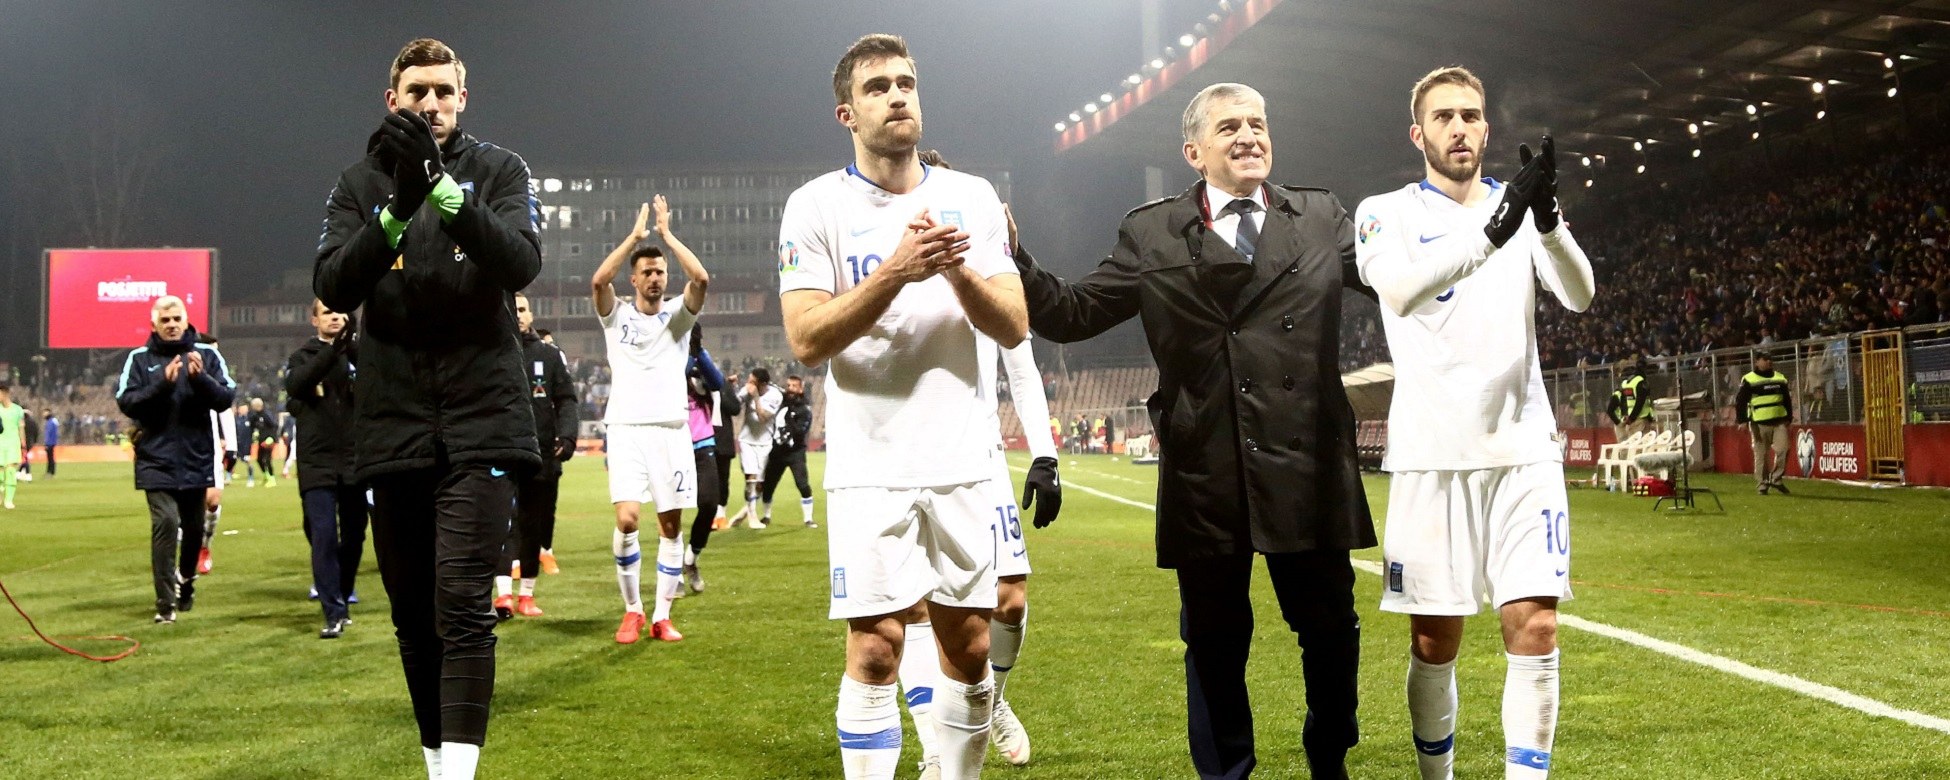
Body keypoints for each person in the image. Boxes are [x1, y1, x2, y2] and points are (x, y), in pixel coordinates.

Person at [1009, 81, 1377, 779]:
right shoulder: (1152, 232)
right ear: (1194, 151)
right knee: (1213, 643)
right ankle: (1226, 774)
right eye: (1230, 126)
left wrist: (1476, 231)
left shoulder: (1321, 216)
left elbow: (1402, 283)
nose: (1249, 136)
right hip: (1207, 465)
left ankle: (1329, 759)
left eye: (1258, 123)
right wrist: (1015, 259)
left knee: (1331, 631)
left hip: (1307, 462)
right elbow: (1073, 313)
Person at [779, 33, 1028, 780]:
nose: (897, 96)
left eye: (906, 83)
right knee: (875, 647)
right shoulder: (814, 206)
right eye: (878, 87)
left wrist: (955, 272)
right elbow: (806, 338)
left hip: (961, 458)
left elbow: (1015, 323)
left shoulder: (971, 197)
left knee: (970, 646)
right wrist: (895, 271)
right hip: (869, 463)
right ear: (846, 113)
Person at [1352, 66, 1593, 780]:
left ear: (1486, 129)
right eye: (1443, 116)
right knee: (1435, 643)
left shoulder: (1519, 210)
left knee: (1537, 626)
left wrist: (1546, 223)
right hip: (1431, 456)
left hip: (1523, 450)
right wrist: (1495, 230)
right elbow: (1399, 290)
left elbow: (1579, 294)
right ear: (1417, 133)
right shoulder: (1383, 212)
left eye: (1470, 115)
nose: (1459, 127)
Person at [314, 37, 543, 780]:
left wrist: (440, 191)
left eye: (444, 91)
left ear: (463, 100)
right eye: (418, 92)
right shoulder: (357, 184)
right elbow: (333, 284)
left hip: (482, 418)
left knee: (462, 602)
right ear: (394, 102)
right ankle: (437, 766)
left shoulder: (501, 170)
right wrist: (395, 212)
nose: (432, 103)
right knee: (412, 614)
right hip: (393, 422)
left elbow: (521, 260)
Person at [590, 195, 710, 644]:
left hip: (670, 431)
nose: (656, 277)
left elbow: (701, 278)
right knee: (626, 521)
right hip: (625, 430)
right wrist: (635, 238)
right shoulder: (615, 317)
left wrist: (668, 236)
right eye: (647, 272)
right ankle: (632, 611)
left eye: (660, 272)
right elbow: (598, 280)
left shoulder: (678, 319)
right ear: (635, 279)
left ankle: (662, 615)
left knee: (670, 527)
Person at [114, 296, 236, 622]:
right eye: (165, 320)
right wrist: (162, 384)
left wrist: (201, 379)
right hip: (155, 459)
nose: (171, 325)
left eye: (176, 319)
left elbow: (226, 398)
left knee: (194, 530)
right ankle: (165, 604)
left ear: (186, 320)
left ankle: (187, 580)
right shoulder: (139, 359)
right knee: (166, 523)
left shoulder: (207, 355)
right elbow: (127, 402)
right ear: (154, 324)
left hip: (196, 458)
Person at [284, 300, 368, 639]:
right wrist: (333, 351)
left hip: (355, 458)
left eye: (339, 313)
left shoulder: (361, 355)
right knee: (323, 536)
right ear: (314, 320)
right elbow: (296, 386)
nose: (334, 318)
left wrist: (353, 348)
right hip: (316, 461)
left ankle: (342, 596)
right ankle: (332, 611)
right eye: (327, 313)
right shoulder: (302, 357)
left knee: (355, 535)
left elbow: (379, 385)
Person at [495, 292, 579, 617]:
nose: (518, 314)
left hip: (540, 453)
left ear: (531, 315)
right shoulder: (493, 352)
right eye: (512, 309)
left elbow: (567, 399)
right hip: (501, 452)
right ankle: (503, 594)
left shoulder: (549, 355)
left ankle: (527, 594)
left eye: (522, 309)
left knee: (533, 525)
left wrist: (567, 435)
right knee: (503, 523)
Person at [681, 326, 727, 593]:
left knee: (709, 504)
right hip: (673, 443)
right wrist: (689, 357)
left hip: (702, 442)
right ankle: (672, 571)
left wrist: (698, 351)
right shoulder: (666, 357)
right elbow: (676, 374)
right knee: (671, 510)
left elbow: (717, 382)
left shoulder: (699, 357)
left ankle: (691, 558)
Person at [756, 373, 815, 528]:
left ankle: (808, 518)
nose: (790, 389)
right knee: (768, 485)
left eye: (794, 386)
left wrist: (789, 415)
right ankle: (766, 516)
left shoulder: (804, 410)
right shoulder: (781, 403)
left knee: (802, 484)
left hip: (796, 453)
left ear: (801, 389)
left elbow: (800, 432)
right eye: (788, 385)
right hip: (777, 452)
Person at [727, 368, 783, 528]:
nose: (749, 384)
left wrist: (756, 397)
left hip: (765, 443)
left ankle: (744, 513)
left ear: (762, 384)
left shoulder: (775, 395)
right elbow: (734, 405)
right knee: (750, 478)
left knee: (759, 484)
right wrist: (732, 387)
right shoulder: (747, 390)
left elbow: (763, 418)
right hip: (747, 440)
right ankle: (753, 517)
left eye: (752, 382)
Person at [1735, 349, 1793, 495]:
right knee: (1761, 455)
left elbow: (1787, 399)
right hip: (1759, 422)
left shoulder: (1780, 378)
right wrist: (1742, 420)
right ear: (1757, 362)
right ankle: (1762, 484)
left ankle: (1775, 479)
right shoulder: (1749, 379)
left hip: (1779, 421)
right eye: (1765, 359)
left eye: (1770, 359)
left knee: (1784, 449)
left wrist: (1789, 417)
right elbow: (1740, 401)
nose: (1769, 361)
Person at [246, 398, 278, 487]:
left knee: (267, 460)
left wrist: (271, 438)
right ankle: (266, 476)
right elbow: (252, 426)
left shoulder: (267, 415)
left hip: (268, 441)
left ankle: (272, 479)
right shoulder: (254, 416)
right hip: (261, 440)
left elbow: (274, 426)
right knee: (259, 459)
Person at [0, 384, 22, 509]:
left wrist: (23, 443)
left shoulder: (17, 410)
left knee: (10, 471)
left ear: (5, 394)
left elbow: (21, 427)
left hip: (13, 443)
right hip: (0, 442)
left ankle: (9, 500)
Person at [40, 406, 58, 479]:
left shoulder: (50, 422)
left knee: (50, 458)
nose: (43, 414)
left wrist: (47, 443)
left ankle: (50, 472)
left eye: (44, 413)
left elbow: (49, 433)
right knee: (50, 458)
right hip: (52, 442)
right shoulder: (52, 421)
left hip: (50, 443)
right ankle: (50, 472)